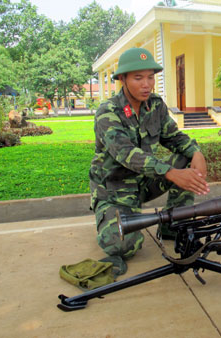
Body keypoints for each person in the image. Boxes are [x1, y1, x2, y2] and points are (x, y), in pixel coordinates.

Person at [89, 47, 209, 265]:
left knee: (185, 157)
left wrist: (196, 152)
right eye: (138, 78)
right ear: (122, 79)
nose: (146, 84)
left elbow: (174, 137)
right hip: (115, 190)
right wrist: (170, 173)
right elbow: (126, 154)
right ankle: (111, 216)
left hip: (144, 182)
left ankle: (173, 223)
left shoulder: (155, 105)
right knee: (123, 246)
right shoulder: (108, 112)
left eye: (150, 77)